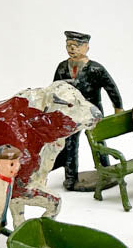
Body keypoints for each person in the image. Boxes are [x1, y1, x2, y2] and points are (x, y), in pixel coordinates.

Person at [52, 30, 123, 190]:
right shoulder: (62, 68)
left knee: (98, 140)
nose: (72, 49)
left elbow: (111, 88)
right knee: (69, 144)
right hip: (70, 114)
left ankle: (106, 172)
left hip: (93, 112)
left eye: (76, 45)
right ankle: (71, 177)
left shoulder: (95, 69)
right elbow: (55, 89)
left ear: (86, 47)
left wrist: (118, 107)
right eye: (69, 45)